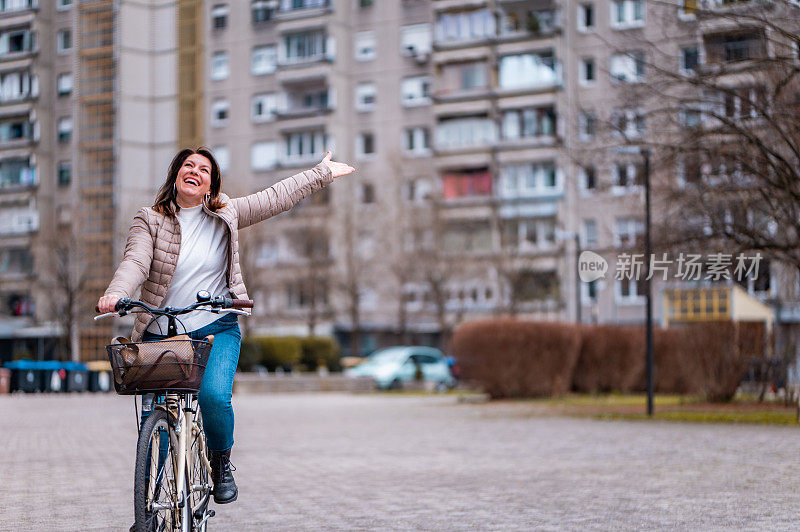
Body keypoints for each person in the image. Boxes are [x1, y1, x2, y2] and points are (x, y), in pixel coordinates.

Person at [97, 147, 354, 505]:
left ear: (210, 185)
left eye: (204, 169)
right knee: (153, 424)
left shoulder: (226, 212)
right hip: (162, 333)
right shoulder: (149, 219)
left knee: (214, 397)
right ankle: (150, 507)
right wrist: (116, 294)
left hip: (216, 327)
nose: (195, 171)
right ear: (175, 176)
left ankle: (220, 463)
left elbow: (275, 197)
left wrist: (320, 173)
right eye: (188, 165)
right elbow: (135, 262)